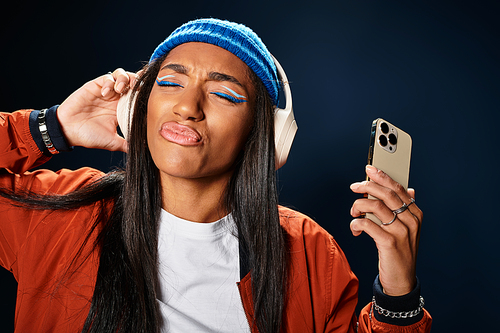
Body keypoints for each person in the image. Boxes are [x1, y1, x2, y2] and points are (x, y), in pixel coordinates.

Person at [0, 18, 432, 332]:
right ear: (136, 109)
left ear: (267, 137)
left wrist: (399, 295)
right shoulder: (59, 214)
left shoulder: (310, 253)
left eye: (224, 93)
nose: (188, 106)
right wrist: (49, 128)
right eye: (170, 84)